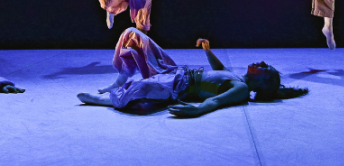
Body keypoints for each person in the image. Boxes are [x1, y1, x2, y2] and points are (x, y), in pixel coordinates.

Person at [77, 29, 308, 116]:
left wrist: (196, 110)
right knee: (134, 35)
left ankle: (107, 100)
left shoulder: (241, 88)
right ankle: (120, 79)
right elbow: (220, 71)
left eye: (266, 67)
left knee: (143, 89)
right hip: (174, 71)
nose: (263, 62)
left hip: (177, 86)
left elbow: (215, 101)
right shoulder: (237, 78)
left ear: (263, 80)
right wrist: (208, 50)